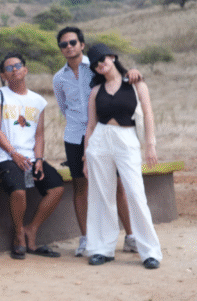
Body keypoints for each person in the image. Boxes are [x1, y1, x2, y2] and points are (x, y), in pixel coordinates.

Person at [53, 27, 139, 256]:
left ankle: (130, 236)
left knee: (118, 185)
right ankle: (86, 238)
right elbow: (63, 107)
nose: (69, 46)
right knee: (80, 186)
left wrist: (132, 72)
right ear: (61, 49)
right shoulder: (58, 78)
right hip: (74, 136)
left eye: (73, 42)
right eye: (64, 44)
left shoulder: (96, 66)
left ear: (82, 44)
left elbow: (118, 80)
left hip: (103, 133)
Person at [83, 43, 162, 269]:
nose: (100, 64)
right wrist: (85, 157)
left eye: (103, 59)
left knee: (136, 193)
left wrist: (150, 145)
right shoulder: (96, 91)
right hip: (100, 141)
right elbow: (90, 126)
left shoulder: (135, 83)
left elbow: (148, 114)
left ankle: (150, 252)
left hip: (126, 139)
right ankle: (101, 249)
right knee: (100, 195)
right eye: (95, 62)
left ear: (113, 57)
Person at [0, 53, 64, 260]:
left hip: (31, 158)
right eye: (9, 67)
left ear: (25, 69)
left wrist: (39, 159)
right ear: (4, 75)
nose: (14, 69)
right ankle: (18, 235)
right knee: (19, 191)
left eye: (17, 65)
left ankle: (32, 229)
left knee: (56, 188)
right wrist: (13, 153)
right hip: (5, 156)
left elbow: (39, 134)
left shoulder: (38, 101)